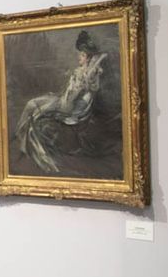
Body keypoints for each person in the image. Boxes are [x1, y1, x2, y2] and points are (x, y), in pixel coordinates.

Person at [14, 30, 111, 174]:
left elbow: (70, 102)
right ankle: (20, 135)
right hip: (63, 101)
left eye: (82, 55)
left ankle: (21, 137)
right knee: (32, 104)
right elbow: (71, 93)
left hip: (66, 108)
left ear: (88, 58)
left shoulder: (85, 77)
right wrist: (60, 95)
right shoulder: (83, 73)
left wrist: (57, 102)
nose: (79, 57)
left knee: (32, 106)